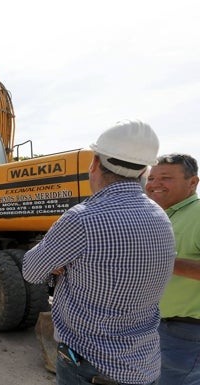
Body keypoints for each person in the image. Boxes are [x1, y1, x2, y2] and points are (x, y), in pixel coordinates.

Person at [22, 120, 176, 385]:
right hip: (144, 366)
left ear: (94, 164)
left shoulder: (82, 219)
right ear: (144, 170)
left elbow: (31, 271)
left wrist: (61, 260)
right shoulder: (160, 217)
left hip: (90, 367)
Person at [145, 153, 200, 385]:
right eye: (151, 178)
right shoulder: (160, 216)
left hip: (187, 332)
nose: (154, 184)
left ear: (193, 182)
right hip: (159, 325)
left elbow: (159, 262)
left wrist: (164, 261)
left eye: (165, 178)